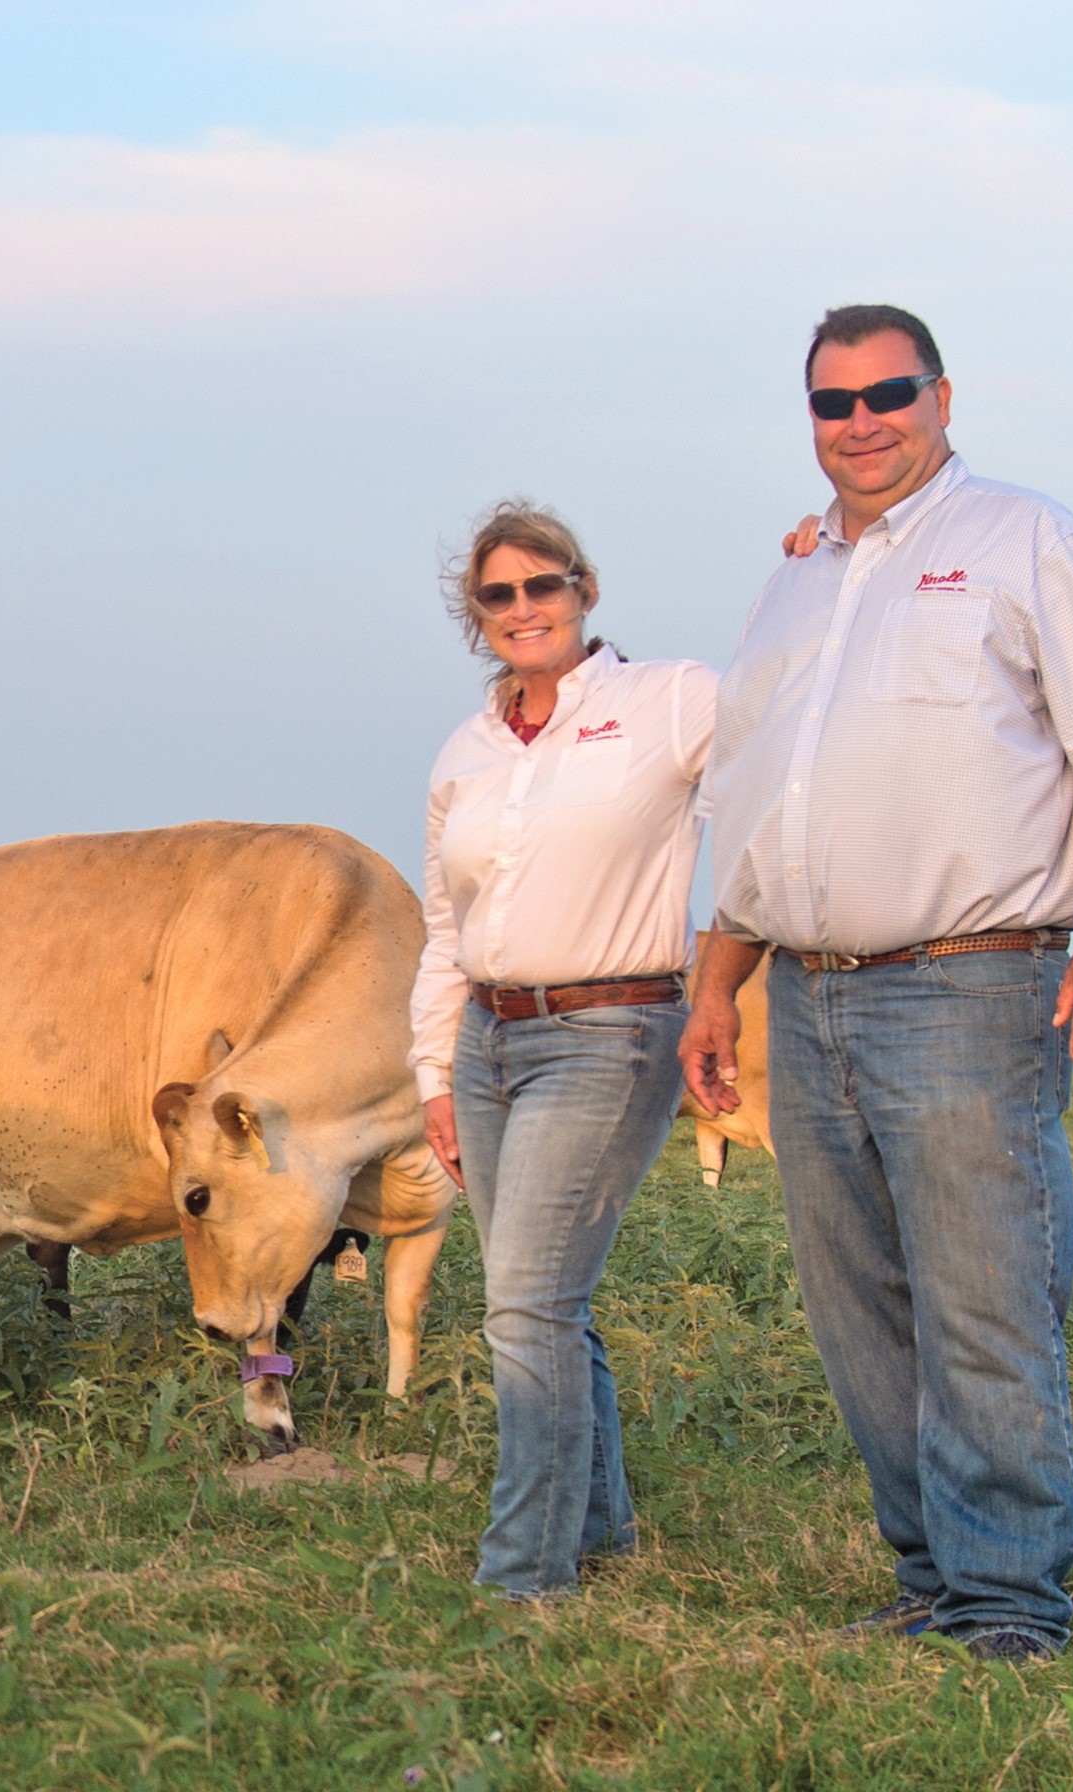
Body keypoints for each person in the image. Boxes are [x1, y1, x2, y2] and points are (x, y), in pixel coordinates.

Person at [682, 304, 1073, 1662]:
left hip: (967, 983)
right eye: (832, 403)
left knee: (984, 1297)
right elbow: (760, 805)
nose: (862, 421)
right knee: (860, 1315)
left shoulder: (1027, 540)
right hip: (808, 990)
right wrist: (718, 987)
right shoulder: (793, 581)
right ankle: (931, 1579)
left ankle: (1011, 1606)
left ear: (943, 397)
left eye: (888, 392)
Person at [412, 500, 717, 1598]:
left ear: (584, 589)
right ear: (478, 616)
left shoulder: (671, 700)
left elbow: (779, 770)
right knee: (539, 1292)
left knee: (525, 1303)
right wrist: (434, 1074)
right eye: (499, 593)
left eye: (544, 584)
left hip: (610, 1027)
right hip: (490, 1037)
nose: (524, 607)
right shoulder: (468, 749)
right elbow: (449, 928)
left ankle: (522, 1579)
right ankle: (595, 1527)